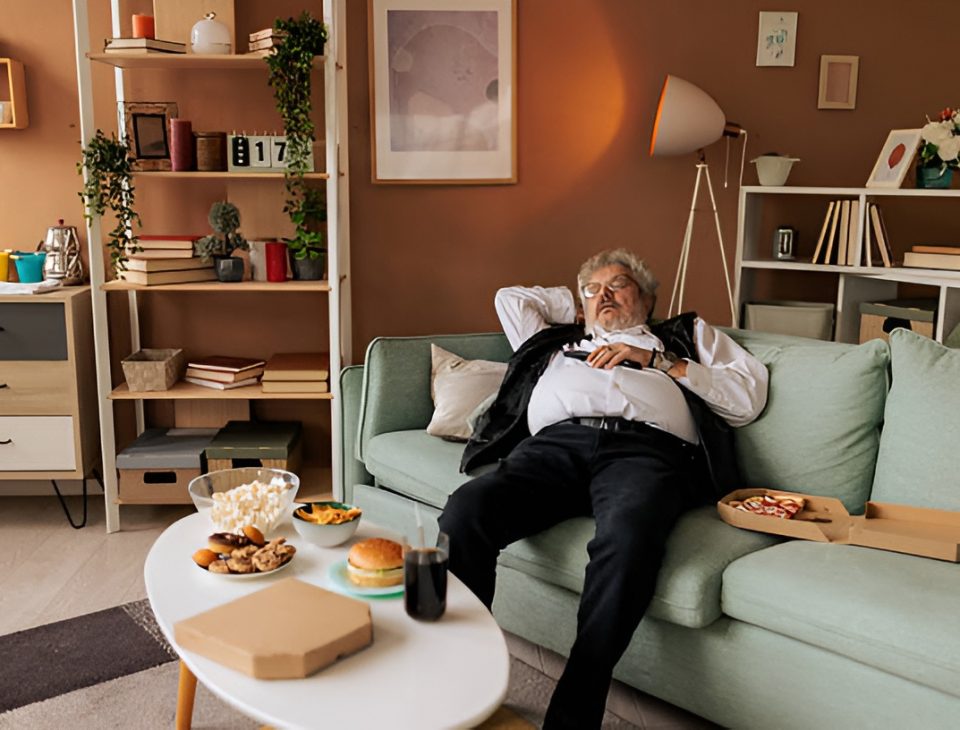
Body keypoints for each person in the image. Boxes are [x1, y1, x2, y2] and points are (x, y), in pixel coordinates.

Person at [438, 248, 768, 730]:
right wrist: (577, 303)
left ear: (649, 297)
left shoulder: (684, 337)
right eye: (593, 290)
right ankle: (460, 680)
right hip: (554, 447)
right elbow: (509, 298)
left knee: (630, 536)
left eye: (618, 285)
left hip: (645, 452)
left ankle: (575, 712)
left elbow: (746, 399)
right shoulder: (556, 342)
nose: (603, 295)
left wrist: (660, 361)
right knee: (466, 511)